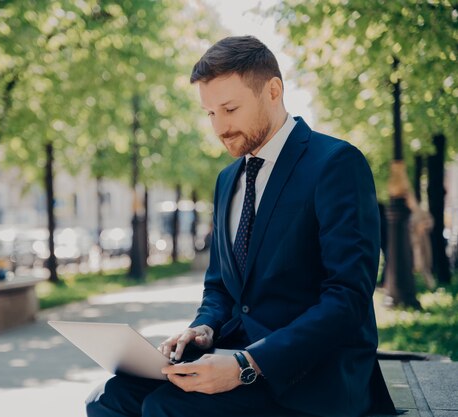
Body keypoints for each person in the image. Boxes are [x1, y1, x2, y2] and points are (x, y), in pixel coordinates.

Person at [86, 36, 396, 417]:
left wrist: (246, 365)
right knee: (109, 397)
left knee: (166, 408)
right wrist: (203, 329)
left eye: (230, 109)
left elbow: (348, 298)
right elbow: (220, 286)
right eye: (210, 113)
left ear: (273, 91)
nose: (220, 127)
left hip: (314, 378)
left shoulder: (336, 164)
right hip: (233, 358)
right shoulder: (227, 180)